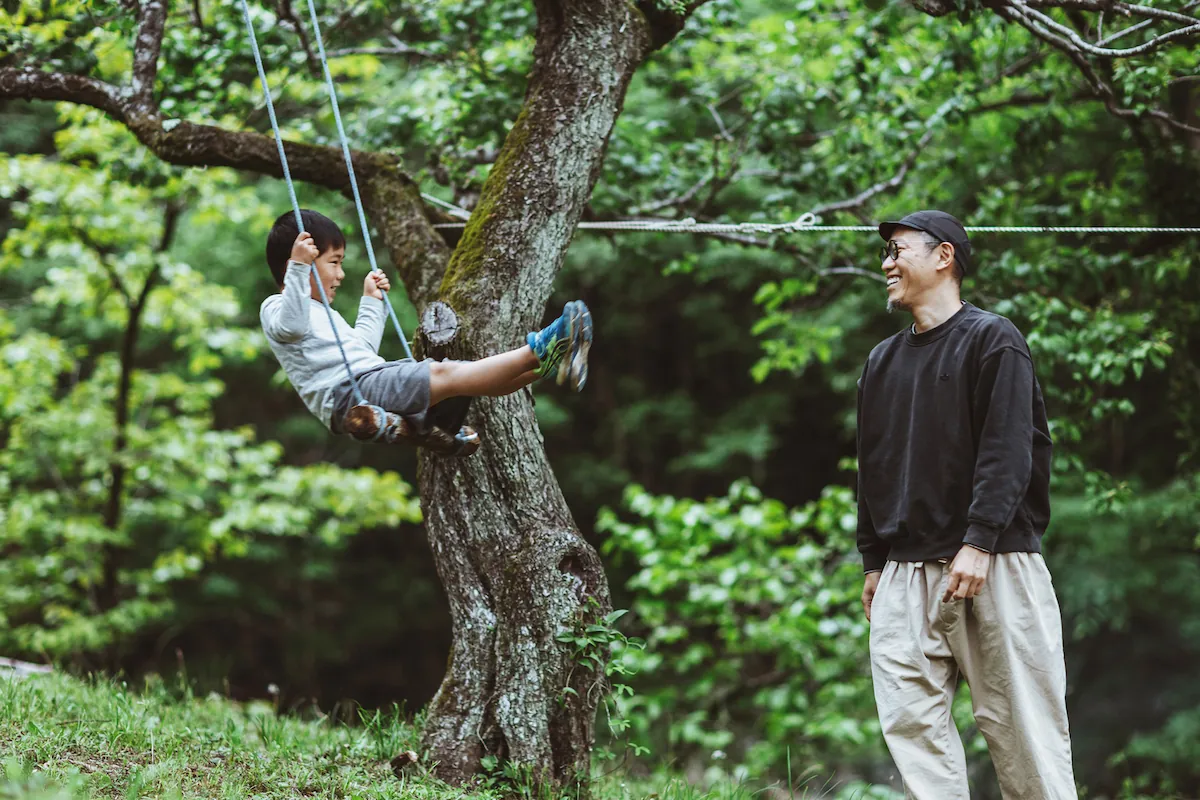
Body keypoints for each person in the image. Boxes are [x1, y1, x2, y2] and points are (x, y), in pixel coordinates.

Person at [854, 210, 1076, 799]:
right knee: (913, 731)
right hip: (903, 574)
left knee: (1025, 735)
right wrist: (874, 561)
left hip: (993, 563)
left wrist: (978, 541)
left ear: (943, 256)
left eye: (897, 251)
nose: (886, 265)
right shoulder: (880, 363)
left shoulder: (994, 340)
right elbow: (871, 468)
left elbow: (1009, 449)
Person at [259, 209, 591, 450]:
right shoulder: (277, 307)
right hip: (349, 393)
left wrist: (371, 302)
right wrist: (300, 269)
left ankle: (542, 365)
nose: (341, 273)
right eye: (334, 262)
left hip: (367, 379)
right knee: (446, 373)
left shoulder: (321, 313)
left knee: (463, 381)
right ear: (295, 266)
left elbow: (361, 352)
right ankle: (539, 349)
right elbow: (292, 324)